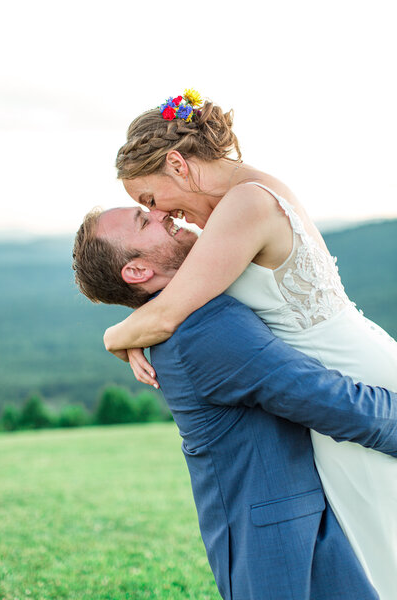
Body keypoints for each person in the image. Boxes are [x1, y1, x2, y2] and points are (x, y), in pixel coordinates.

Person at [102, 90, 397, 599]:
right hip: (337, 378)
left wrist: (116, 336)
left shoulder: (247, 204)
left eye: (150, 200)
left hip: (353, 381)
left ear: (178, 164)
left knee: (383, 540)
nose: (164, 214)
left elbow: (172, 310)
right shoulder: (244, 197)